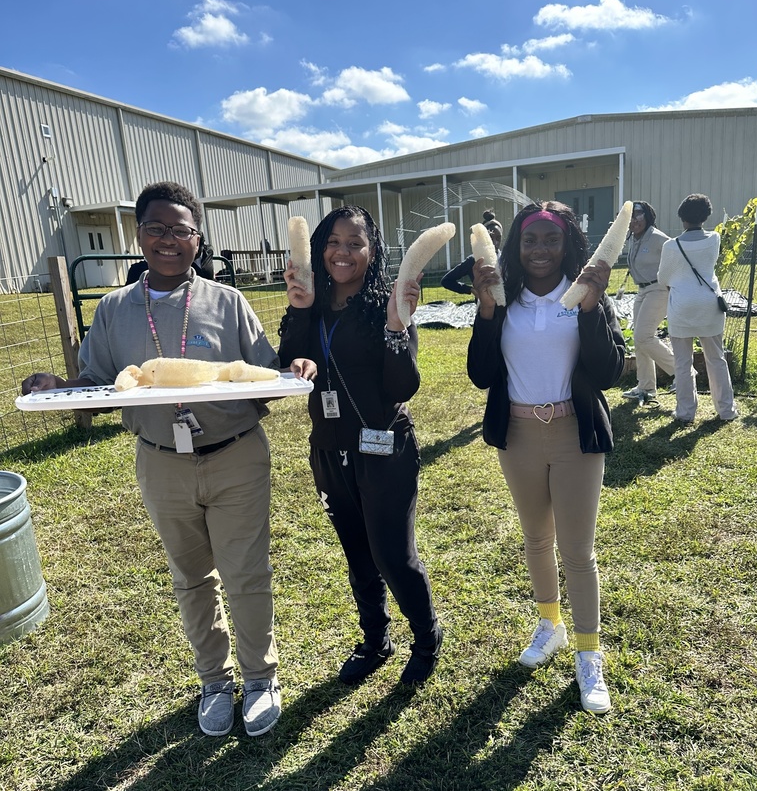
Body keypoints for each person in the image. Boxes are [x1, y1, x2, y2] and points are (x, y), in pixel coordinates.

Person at [22, 181, 316, 738]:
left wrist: (292, 372)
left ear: (197, 240)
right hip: (160, 460)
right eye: (157, 228)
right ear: (140, 234)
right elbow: (98, 381)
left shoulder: (226, 301)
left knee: (246, 572)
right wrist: (55, 385)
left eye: (181, 230)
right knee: (191, 578)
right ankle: (214, 679)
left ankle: (259, 679)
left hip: (234, 456)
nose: (168, 240)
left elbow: (260, 375)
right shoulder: (113, 310)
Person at [467, 200, 625, 713]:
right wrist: (486, 310)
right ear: (516, 244)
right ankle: (549, 623)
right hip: (517, 432)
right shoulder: (503, 298)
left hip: (573, 433)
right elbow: (481, 373)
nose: (540, 249)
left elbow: (607, 372)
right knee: (537, 537)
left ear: (567, 244)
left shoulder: (586, 294)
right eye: (530, 239)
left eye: (551, 239)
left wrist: (591, 306)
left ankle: (587, 652)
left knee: (578, 551)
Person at [278, 205, 442, 686]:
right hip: (329, 449)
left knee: (393, 554)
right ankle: (375, 640)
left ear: (373, 252)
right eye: (333, 241)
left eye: (355, 243)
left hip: (384, 446)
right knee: (357, 556)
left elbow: (402, 386)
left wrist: (396, 327)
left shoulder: (386, 303)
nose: (341, 252)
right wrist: (300, 312)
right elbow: (287, 360)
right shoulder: (312, 302)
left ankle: (426, 637)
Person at [657, 193, 738, 425]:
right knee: (717, 359)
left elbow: (664, 278)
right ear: (706, 216)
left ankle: (685, 412)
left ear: (682, 217)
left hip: (681, 306)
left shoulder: (671, 246)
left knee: (683, 363)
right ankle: (726, 410)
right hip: (710, 305)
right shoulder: (715, 239)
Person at [622, 201, 675, 403]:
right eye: (630, 216)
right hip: (642, 290)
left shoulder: (658, 238)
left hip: (659, 289)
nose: (634, 220)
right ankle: (645, 387)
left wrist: (673, 285)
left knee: (644, 336)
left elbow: (676, 258)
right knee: (639, 339)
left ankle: (684, 373)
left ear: (648, 216)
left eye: (638, 215)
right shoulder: (634, 238)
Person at [441, 209, 503, 295]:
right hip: (483, 307)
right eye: (490, 238)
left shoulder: (506, 258)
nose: (495, 243)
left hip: (508, 308)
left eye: (498, 238)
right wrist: (470, 290)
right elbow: (446, 280)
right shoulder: (474, 261)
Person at [125, 231, 216, 284]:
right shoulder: (137, 270)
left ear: (197, 242)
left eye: (182, 232)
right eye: (155, 229)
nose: (168, 242)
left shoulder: (206, 254)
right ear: (139, 237)